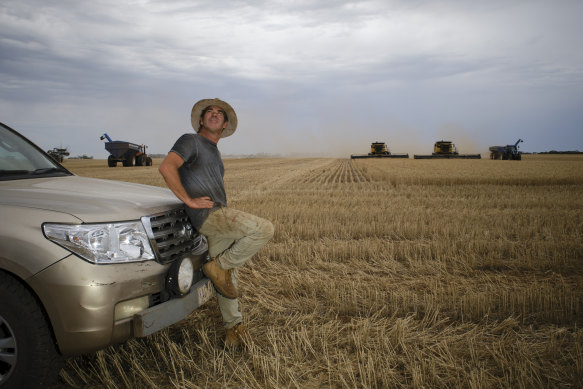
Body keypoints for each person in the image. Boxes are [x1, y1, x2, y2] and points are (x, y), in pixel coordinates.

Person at [159, 98, 274, 348]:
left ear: (224, 125)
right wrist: (188, 200)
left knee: (227, 279)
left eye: (219, 113)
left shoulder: (213, 150)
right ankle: (218, 266)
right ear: (201, 121)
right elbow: (167, 167)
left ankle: (234, 329)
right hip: (210, 215)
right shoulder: (190, 141)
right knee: (264, 229)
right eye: (208, 112)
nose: (213, 114)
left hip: (219, 213)